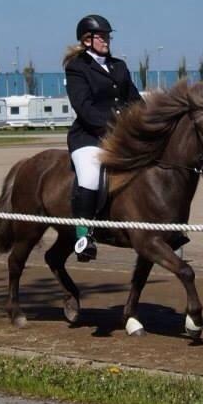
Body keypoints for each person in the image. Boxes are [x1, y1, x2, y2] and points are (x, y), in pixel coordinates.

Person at [64, 14, 142, 261]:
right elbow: (84, 107)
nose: (107, 40)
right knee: (90, 174)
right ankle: (83, 236)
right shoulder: (77, 67)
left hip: (121, 136)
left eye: (108, 36)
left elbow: (135, 100)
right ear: (88, 40)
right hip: (89, 136)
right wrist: (114, 125)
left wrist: (147, 121)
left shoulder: (119, 65)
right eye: (102, 36)